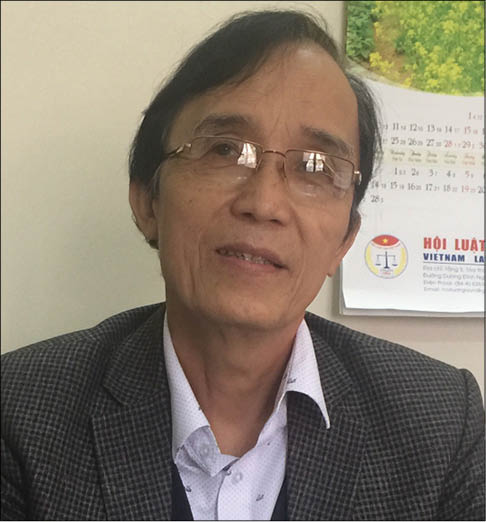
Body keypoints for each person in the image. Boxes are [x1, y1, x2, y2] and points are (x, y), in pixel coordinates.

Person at [1, 8, 484, 521]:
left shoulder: (440, 424)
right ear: (147, 202)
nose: (264, 203)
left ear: (344, 239)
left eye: (316, 166)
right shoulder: (21, 411)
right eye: (225, 149)